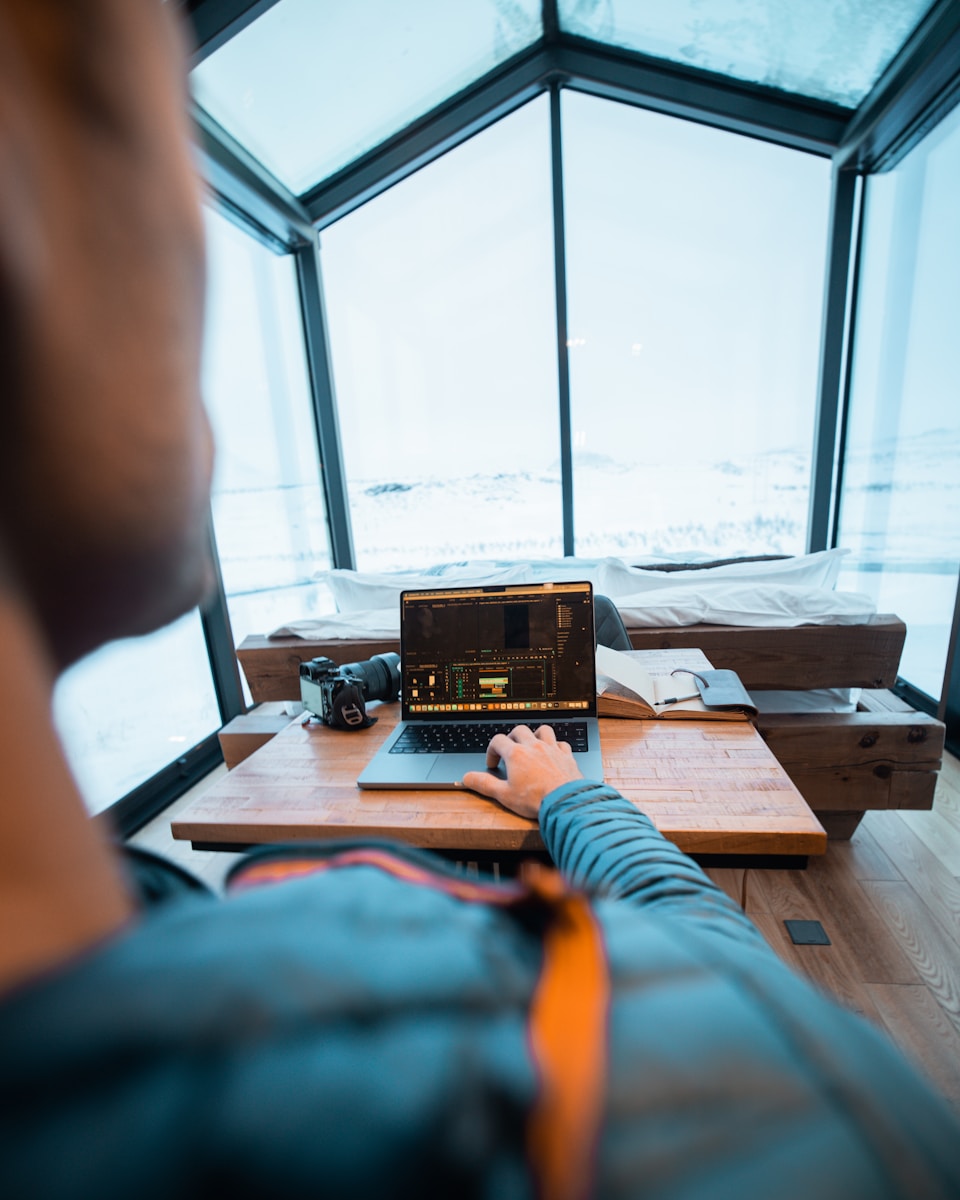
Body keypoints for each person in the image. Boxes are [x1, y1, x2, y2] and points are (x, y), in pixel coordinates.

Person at [0, 2, 957, 1197]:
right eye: (161, 156)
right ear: (40, 238)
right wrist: (572, 804)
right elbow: (715, 957)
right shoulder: (804, 1115)